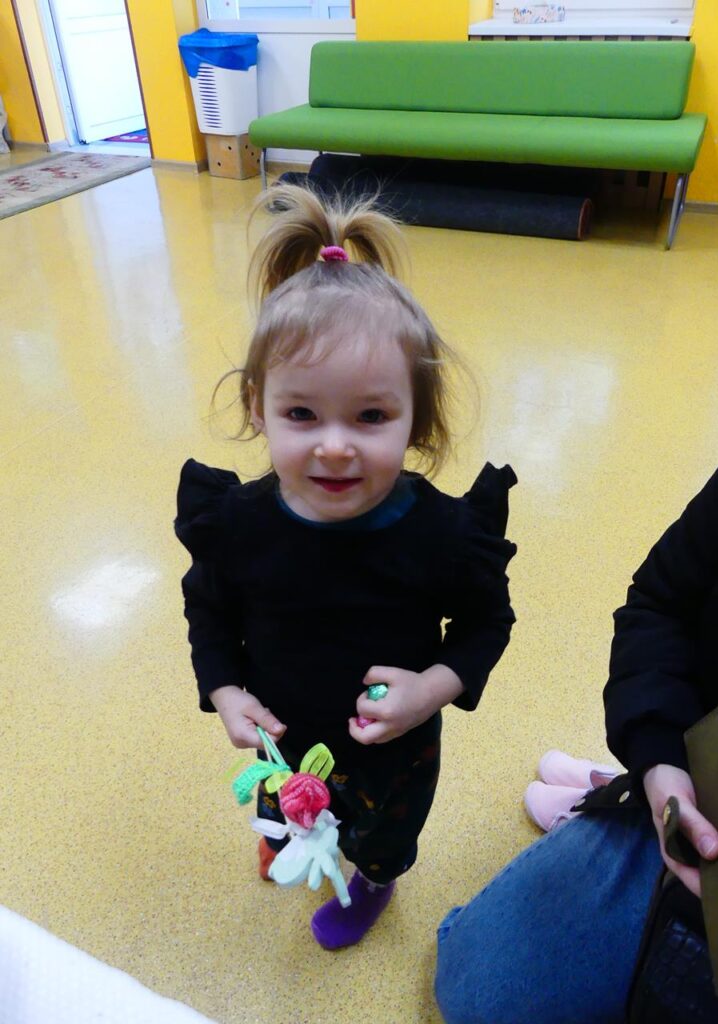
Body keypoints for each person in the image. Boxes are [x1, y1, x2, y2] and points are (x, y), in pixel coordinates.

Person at [174, 185, 517, 951]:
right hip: (283, 734)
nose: (335, 446)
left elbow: (487, 622)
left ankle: (372, 881)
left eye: (370, 416)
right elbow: (209, 610)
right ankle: (294, 834)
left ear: (415, 418)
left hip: (389, 750)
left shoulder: (442, 534)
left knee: (379, 834)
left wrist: (431, 689)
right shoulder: (236, 524)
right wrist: (225, 690)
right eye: (302, 414)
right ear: (258, 407)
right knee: (285, 804)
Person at [434, 411, 718, 1023]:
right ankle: (626, 794)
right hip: (711, 791)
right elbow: (661, 601)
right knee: (477, 990)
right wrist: (661, 761)